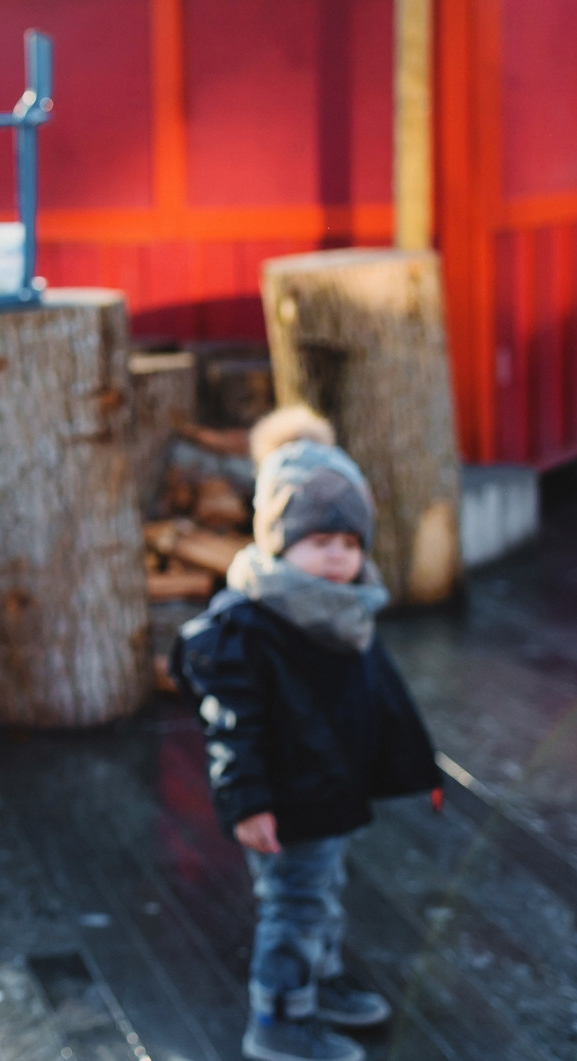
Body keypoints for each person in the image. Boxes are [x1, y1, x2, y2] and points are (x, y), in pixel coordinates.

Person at [176, 407, 440, 1061]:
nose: (336, 556)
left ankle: (318, 980)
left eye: (349, 544)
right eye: (319, 540)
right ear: (277, 539)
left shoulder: (344, 613)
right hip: (282, 800)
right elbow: (233, 726)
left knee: (321, 889)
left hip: (329, 789)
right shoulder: (249, 625)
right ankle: (277, 1016)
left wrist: (407, 763)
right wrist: (248, 802)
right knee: (292, 903)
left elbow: (376, 696)